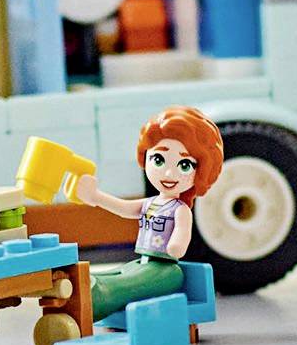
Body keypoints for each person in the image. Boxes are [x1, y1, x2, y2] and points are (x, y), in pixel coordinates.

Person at [76, 105, 221, 325]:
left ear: (200, 172)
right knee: (113, 274)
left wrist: (177, 245)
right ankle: (84, 290)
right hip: (141, 263)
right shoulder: (150, 203)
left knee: (127, 283)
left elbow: (182, 232)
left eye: (184, 165)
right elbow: (123, 208)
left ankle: (97, 301)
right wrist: (96, 197)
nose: (169, 173)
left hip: (167, 271)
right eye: (159, 160)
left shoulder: (179, 209)